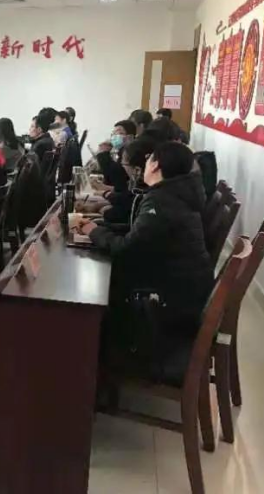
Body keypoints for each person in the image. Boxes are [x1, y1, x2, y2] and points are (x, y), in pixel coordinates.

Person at [78, 142, 214, 366]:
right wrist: (100, 228)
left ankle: (95, 360)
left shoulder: (162, 200)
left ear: (156, 166)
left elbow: (126, 250)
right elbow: (141, 234)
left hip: (167, 308)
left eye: (149, 159)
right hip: (182, 294)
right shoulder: (178, 193)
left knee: (96, 291)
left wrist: (93, 231)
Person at [94, 119, 137, 193]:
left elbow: (119, 181)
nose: (114, 137)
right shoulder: (120, 153)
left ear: (130, 137)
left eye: (119, 133)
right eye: (113, 134)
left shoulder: (133, 154)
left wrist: (103, 155)